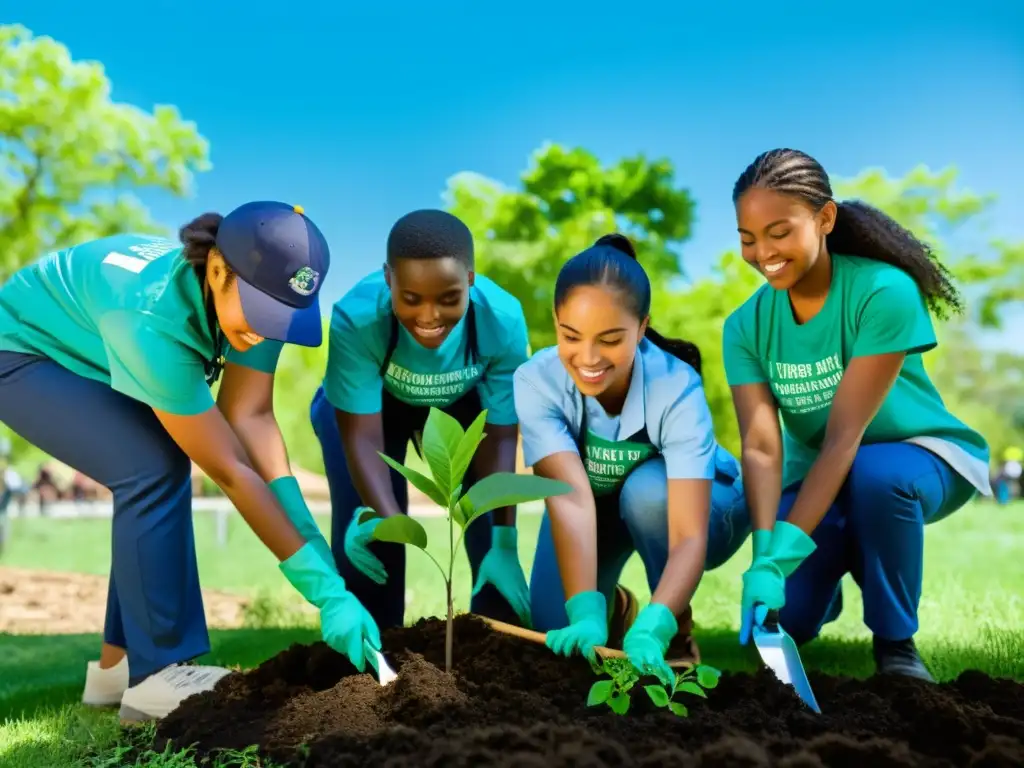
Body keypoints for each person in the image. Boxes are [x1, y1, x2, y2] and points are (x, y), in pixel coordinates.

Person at [0, 202, 381, 722]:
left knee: (154, 468)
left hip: (91, 344)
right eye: (262, 310)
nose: (267, 329)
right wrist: (323, 590)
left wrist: (312, 542)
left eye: (283, 316)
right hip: (23, 351)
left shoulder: (262, 300)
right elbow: (230, 469)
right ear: (219, 269)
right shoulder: (152, 319)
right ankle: (157, 674)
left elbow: (251, 419)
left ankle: (115, 671)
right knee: (153, 467)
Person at [723, 148, 991, 682]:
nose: (762, 253)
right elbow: (760, 446)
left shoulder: (882, 292)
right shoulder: (745, 326)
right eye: (748, 238)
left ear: (824, 219)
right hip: (824, 477)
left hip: (917, 457)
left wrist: (781, 556)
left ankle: (896, 644)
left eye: (779, 232)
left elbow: (847, 436)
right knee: (786, 619)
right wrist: (763, 554)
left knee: (876, 474)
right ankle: (828, 583)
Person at [513, 233, 751, 683]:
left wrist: (660, 622)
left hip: (703, 508)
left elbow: (687, 536)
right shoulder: (535, 380)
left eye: (610, 339)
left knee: (645, 493)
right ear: (555, 320)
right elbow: (568, 498)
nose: (588, 357)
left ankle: (675, 632)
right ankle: (615, 609)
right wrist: (585, 610)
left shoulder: (675, 386)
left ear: (641, 328)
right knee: (553, 625)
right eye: (571, 336)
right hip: (597, 504)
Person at [309, 208, 531, 630]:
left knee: (488, 536)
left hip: (464, 408)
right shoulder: (358, 318)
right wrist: (388, 517)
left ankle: (492, 644)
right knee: (375, 539)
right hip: (373, 414)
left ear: (469, 279)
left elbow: (502, 433)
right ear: (389, 279)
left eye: (449, 298)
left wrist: (505, 541)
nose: (429, 317)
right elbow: (360, 433)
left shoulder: (501, 319)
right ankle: (375, 666)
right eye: (411, 299)